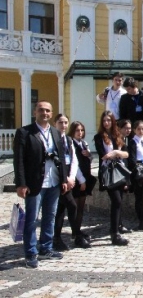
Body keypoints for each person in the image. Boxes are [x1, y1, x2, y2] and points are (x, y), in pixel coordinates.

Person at [14, 101, 68, 268]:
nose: (44, 113)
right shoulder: (24, 132)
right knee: (31, 220)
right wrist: (21, 184)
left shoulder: (55, 133)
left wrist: (64, 180)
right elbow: (19, 161)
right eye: (41, 110)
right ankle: (30, 253)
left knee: (50, 217)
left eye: (47, 111)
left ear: (51, 114)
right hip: (34, 183)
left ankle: (46, 247)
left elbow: (62, 158)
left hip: (53, 181)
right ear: (35, 112)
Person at [94, 110, 130, 245]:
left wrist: (116, 152)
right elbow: (103, 155)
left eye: (109, 120)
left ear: (113, 121)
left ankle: (117, 228)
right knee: (116, 201)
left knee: (119, 201)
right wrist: (116, 152)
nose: (106, 123)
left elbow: (127, 154)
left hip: (120, 171)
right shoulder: (99, 137)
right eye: (104, 121)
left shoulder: (118, 135)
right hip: (108, 172)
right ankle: (114, 233)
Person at [53, 114, 87, 251]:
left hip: (68, 177)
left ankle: (56, 238)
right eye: (61, 122)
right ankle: (77, 235)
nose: (63, 125)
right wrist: (63, 179)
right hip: (58, 178)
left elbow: (74, 160)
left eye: (66, 122)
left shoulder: (68, 140)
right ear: (55, 123)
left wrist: (73, 178)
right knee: (72, 206)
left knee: (61, 210)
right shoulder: (53, 139)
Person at [67, 121, 96, 247]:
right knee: (75, 206)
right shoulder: (71, 143)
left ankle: (77, 230)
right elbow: (74, 164)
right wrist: (81, 179)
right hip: (78, 179)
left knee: (81, 208)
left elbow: (90, 159)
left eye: (82, 130)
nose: (80, 133)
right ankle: (75, 232)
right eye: (77, 130)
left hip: (86, 176)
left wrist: (89, 155)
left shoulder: (83, 143)